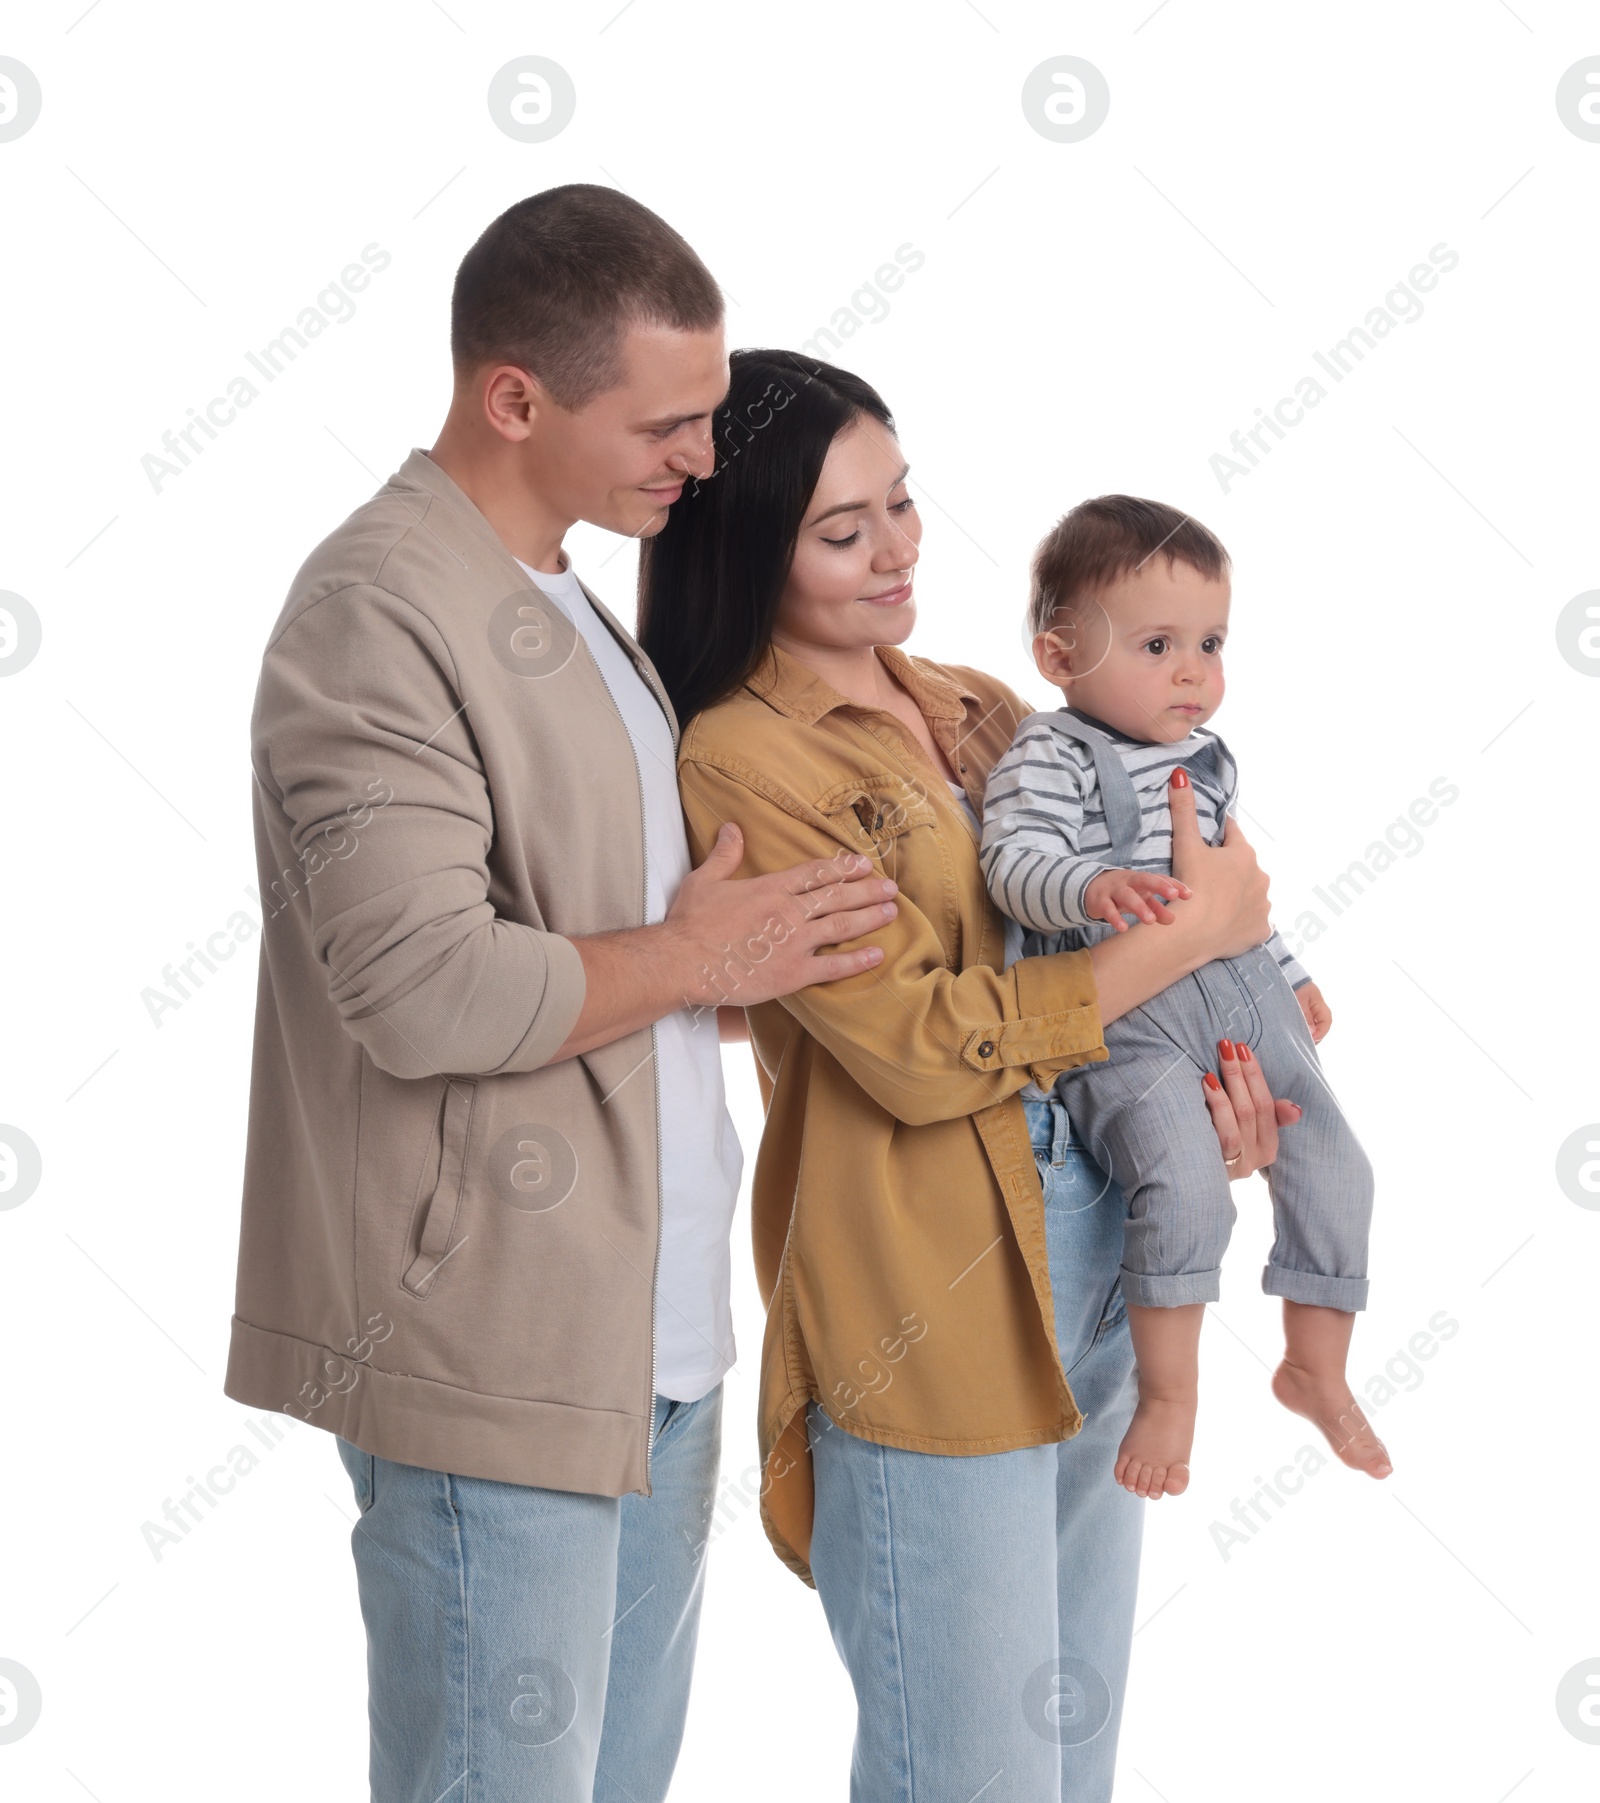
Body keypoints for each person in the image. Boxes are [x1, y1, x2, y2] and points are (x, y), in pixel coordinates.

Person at [223, 187, 897, 1803]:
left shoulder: (574, 602)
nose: (704, 459)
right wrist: (698, 959)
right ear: (512, 396)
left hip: (649, 1359)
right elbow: (426, 985)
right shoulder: (378, 609)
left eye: (711, 416)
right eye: (665, 422)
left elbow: (616, 963)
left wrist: (785, 984)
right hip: (489, 1353)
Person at [638, 350, 1300, 1802]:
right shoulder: (743, 758)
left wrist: (1209, 1104)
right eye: (842, 529)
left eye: (904, 500)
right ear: (749, 543)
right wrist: (1204, 921)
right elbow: (922, 1047)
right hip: (928, 1290)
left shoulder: (986, 706)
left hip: (1101, 1243)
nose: (900, 549)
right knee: (976, 1773)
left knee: (1071, 1755)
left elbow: (1128, 947)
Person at [980, 494, 1389, 1501]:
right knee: (1186, 1193)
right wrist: (1088, 886)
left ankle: (1315, 1366)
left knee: (1335, 1162)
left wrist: (1289, 975)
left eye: (1209, 642)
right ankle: (1170, 1395)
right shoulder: (1050, 751)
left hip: (1235, 987)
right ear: (1058, 655)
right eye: (1157, 644)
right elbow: (1011, 861)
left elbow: (1232, 898)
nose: (1192, 671)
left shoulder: (1202, 764)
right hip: (1125, 1019)